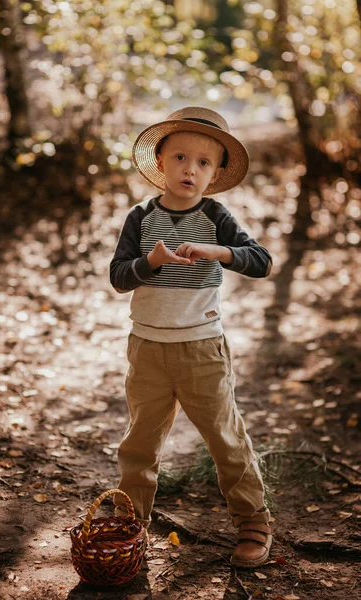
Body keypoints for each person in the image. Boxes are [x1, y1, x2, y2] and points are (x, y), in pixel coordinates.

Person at [109, 106, 273, 568]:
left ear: (216, 172)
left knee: (224, 436)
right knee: (139, 441)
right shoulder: (140, 218)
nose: (190, 169)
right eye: (181, 157)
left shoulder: (217, 215)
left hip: (202, 349)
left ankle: (253, 522)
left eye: (203, 162)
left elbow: (260, 260)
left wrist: (220, 251)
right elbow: (119, 277)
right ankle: (129, 525)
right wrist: (152, 263)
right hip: (147, 348)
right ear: (160, 162)